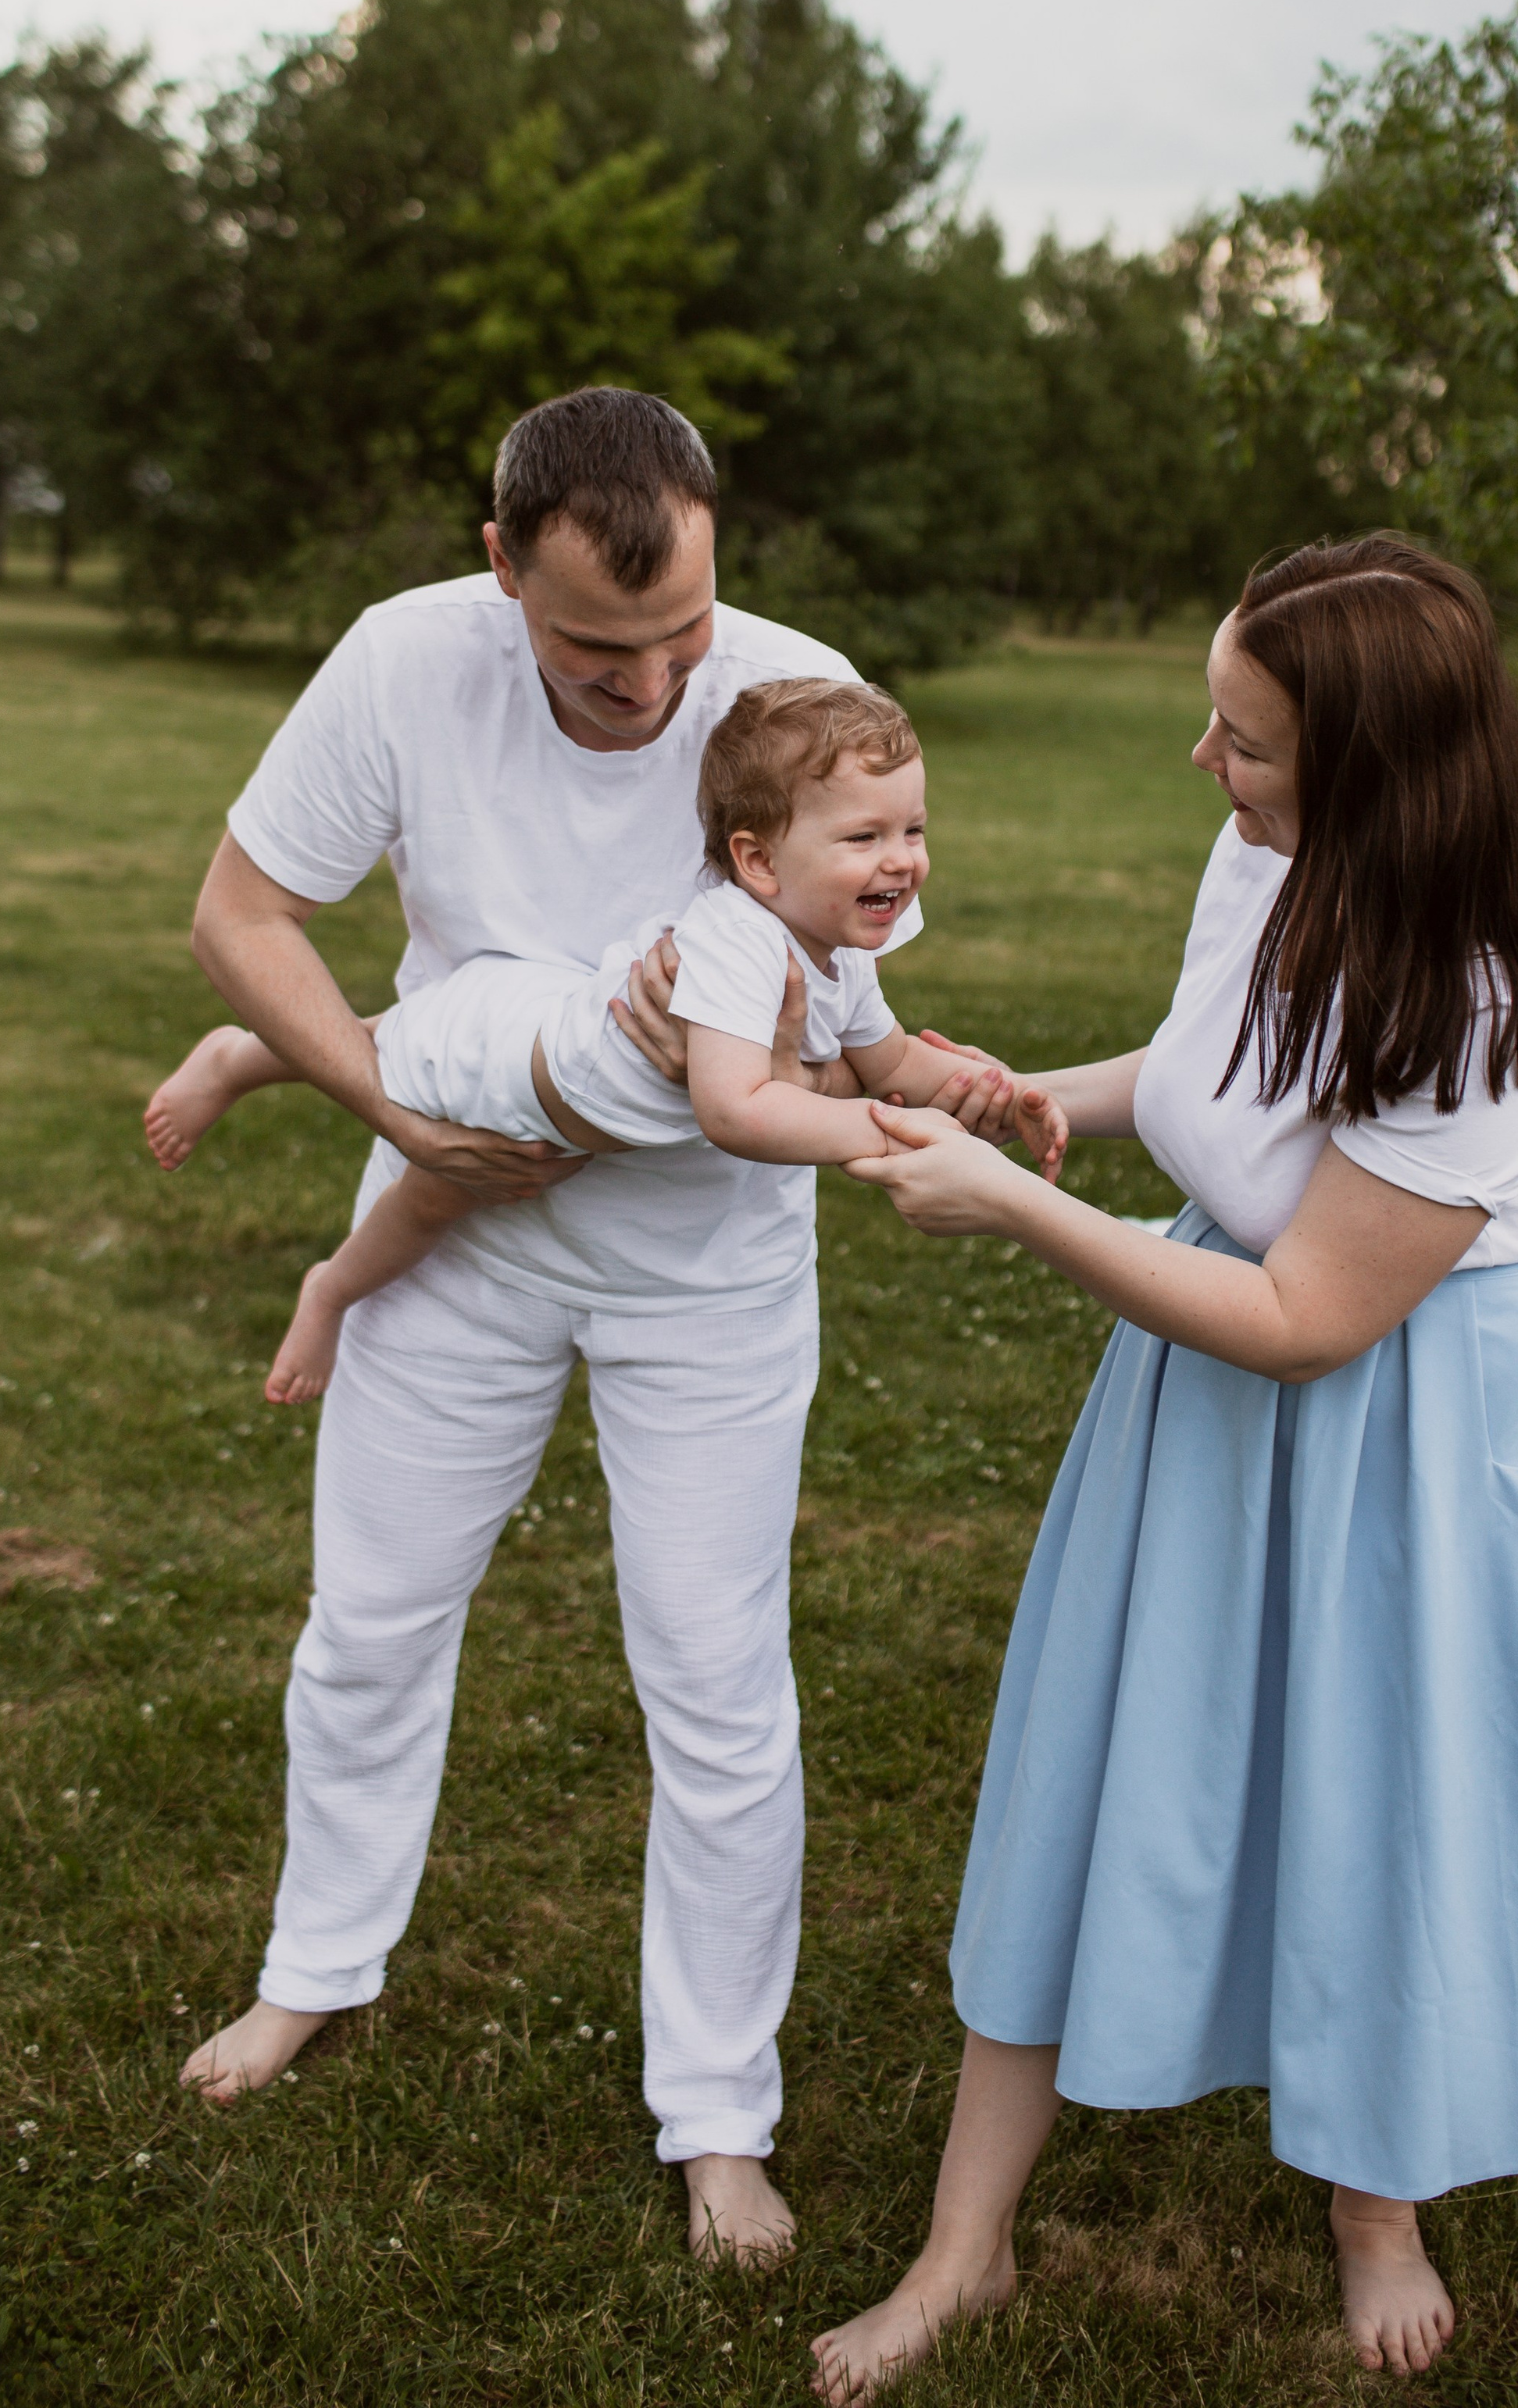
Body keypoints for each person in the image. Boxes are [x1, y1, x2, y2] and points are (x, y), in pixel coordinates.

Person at [150, 387, 1033, 2266]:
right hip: (462, 1221)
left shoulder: (797, 697)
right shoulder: (405, 661)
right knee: (369, 1622)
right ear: (501, 566)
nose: (648, 687)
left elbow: (849, 1009)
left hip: (705, 1271)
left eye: (678, 635)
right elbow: (241, 916)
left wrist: (917, 1083)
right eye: (593, 645)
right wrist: (391, 1118)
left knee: (717, 1691)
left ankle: (717, 2111)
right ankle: (316, 1963)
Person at [809, 535, 1518, 2393]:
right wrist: (1029, 1093)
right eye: (1214, 722)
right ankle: (966, 2243)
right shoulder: (1264, 849)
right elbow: (1227, 1065)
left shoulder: (1495, 992)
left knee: (1386, 1798)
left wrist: (1014, 1212)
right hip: (1222, 1356)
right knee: (1088, 1754)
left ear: (1372, 776)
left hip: (1425, 1419)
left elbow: (1310, 1312)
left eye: (1247, 743)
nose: (1205, 767)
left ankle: (1378, 2201)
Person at [152, 679, 1066, 1404]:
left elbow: (894, 1062)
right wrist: (888, 1129)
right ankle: (322, 1266)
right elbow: (737, 1110)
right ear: (757, 861)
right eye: (865, 836)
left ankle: (250, 1081)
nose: (903, 859)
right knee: (420, 1171)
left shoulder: (837, 948)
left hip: (550, 1029)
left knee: (389, 1057)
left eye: (913, 830)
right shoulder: (741, 940)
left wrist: (996, 1087)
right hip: (508, 1064)